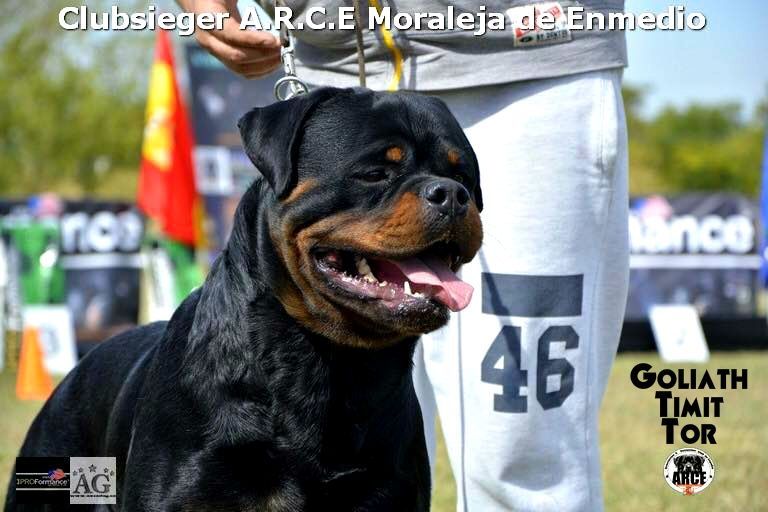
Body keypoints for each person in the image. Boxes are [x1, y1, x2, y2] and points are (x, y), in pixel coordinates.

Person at [177, 1, 629, 510]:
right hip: (328, 60)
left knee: (524, 450)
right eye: (376, 175)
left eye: (461, 184)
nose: (448, 196)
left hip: (528, 63)